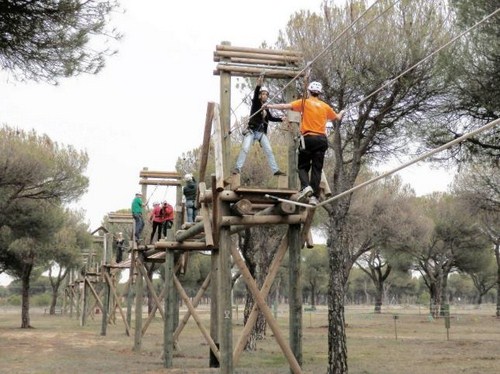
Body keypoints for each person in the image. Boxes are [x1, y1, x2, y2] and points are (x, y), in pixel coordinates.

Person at [264, 81, 344, 205]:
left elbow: (285, 106)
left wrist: (269, 106)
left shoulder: (304, 102)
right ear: (320, 93)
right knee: (317, 169)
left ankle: (306, 187)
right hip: (322, 140)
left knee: (302, 166)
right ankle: (314, 198)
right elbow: (337, 117)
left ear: (309, 91)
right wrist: (342, 112)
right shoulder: (325, 106)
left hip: (308, 139)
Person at [232, 76, 286, 176]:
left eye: (266, 94)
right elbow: (256, 92)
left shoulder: (266, 108)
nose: (265, 96)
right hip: (252, 131)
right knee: (245, 148)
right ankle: (237, 168)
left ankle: (275, 170)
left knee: (269, 151)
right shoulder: (256, 104)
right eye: (263, 94)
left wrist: (280, 119)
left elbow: (270, 118)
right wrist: (259, 84)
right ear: (260, 95)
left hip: (261, 133)